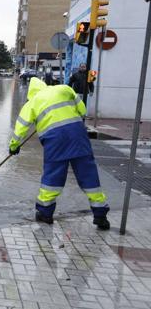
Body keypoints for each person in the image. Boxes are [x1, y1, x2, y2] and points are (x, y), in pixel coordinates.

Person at [9, 77, 110, 230]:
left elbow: (20, 128)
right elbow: (82, 110)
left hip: (55, 141)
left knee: (52, 176)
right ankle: (100, 215)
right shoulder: (64, 89)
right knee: (88, 175)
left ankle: (45, 213)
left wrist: (14, 146)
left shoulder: (32, 103)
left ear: (31, 93)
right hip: (78, 136)